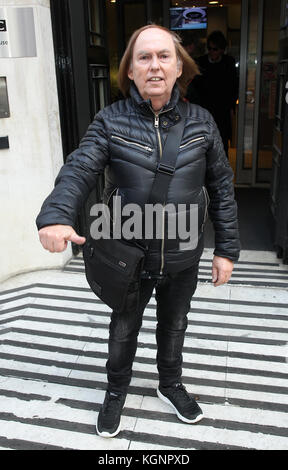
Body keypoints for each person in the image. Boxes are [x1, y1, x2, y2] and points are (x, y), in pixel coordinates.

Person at [36, 25, 240, 438]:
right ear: (129, 70)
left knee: (175, 324)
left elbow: (221, 187)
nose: (154, 66)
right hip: (128, 252)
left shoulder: (202, 123)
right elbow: (79, 168)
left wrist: (227, 249)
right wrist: (56, 214)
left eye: (164, 56)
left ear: (179, 66)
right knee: (123, 328)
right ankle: (116, 391)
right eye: (143, 57)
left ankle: (170, 384)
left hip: (183, 253)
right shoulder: (110, 121)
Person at [186, 30, 238, 156]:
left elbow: (234, 86)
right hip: (204, 110)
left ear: (221, 49)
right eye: (209, 48)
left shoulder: (228, 63)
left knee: (222, 143)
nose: (211, 52)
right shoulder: (201, 62)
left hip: (222, 112)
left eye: (215, 49)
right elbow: (194, 87)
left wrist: (230, 105)